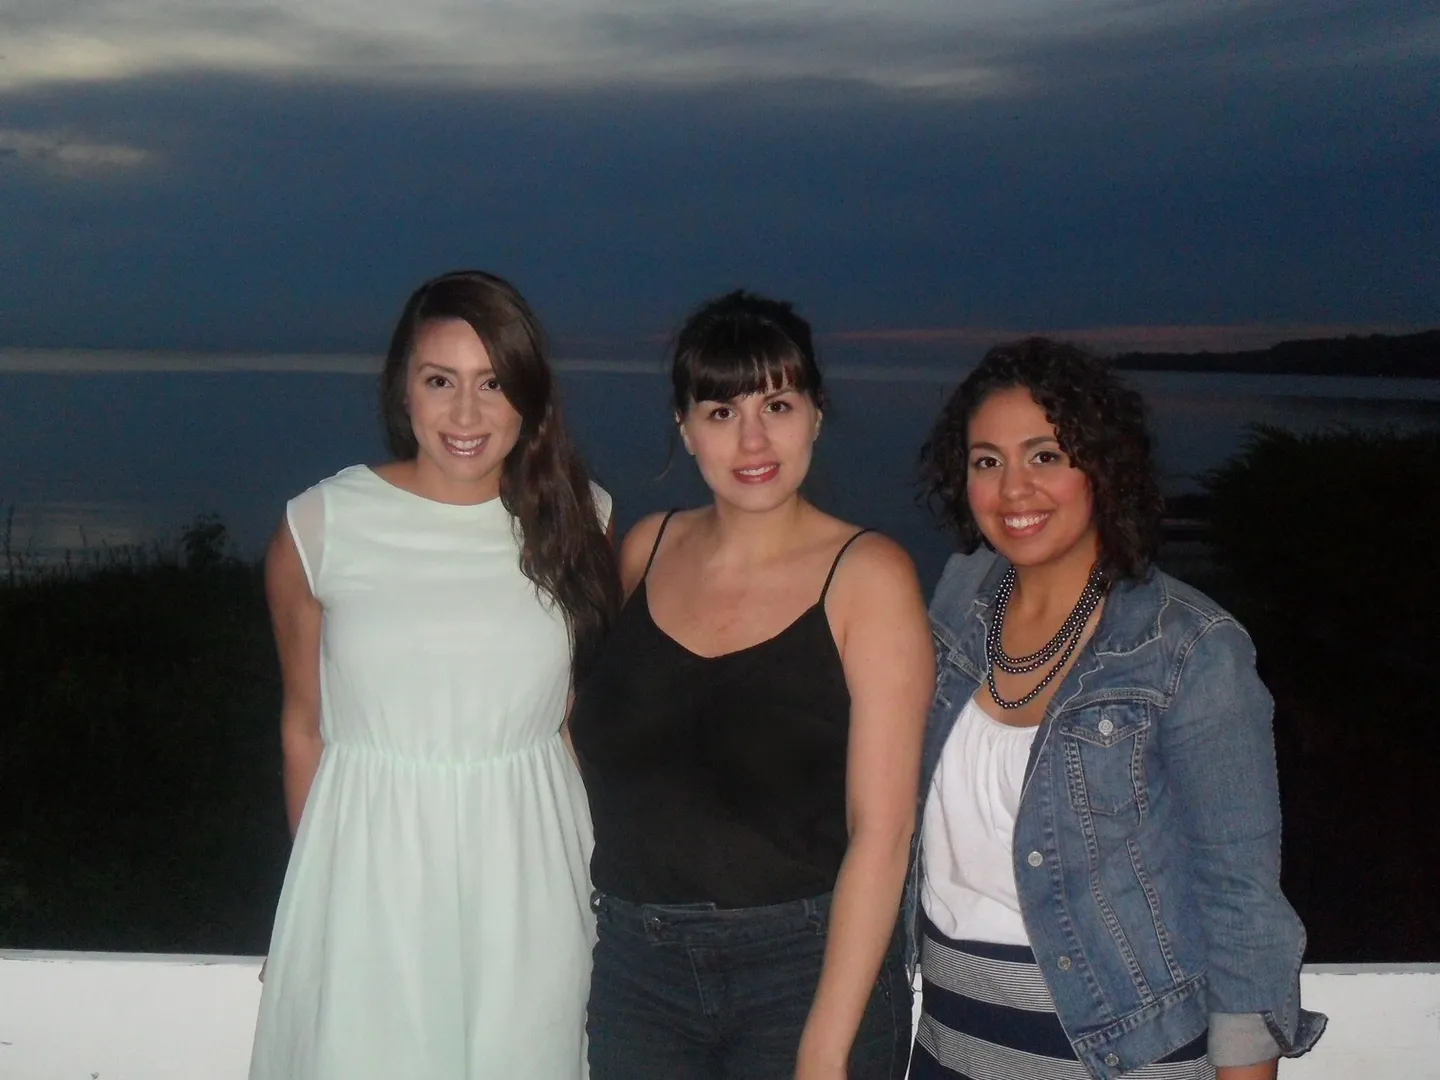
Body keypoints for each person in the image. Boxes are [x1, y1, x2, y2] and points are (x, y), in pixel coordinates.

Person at [909, 338, 1326, 1080]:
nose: (1013, 490)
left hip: (1120, 1056)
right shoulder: (958, 603)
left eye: (1045, 456)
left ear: (1102, 466)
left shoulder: (1190, 649)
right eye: (987, 461)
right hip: (950, 1043)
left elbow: (1242, 901)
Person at [248, 270, 620, 1080]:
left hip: (531, 873)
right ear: (403, 389)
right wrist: (309, 913)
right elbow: (303, 728)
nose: (465, 414)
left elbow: (569, 720)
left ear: (528, 396)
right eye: (440, 381)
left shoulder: (583, 518)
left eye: (492, 384)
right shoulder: (321, 526)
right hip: (370, 877)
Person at [568, 290, 933, 1080]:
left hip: (804, 968)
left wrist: (826, 1048)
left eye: (777, 402)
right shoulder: (645, 547)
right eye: (721, 410)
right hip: (638, 965)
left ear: (816, 413)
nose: (754, 437)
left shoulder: (868, 577)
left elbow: (884, 832)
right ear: (684, 426)